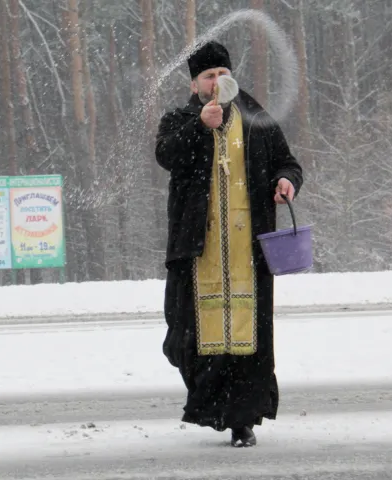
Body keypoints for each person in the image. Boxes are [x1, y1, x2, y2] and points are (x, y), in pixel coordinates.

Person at [154, 40, 304, 448]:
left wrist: (286, 182)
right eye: (208, 76)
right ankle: (209, 402)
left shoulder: (256, 118)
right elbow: (166, 155)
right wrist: (200, 125)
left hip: (248, 252)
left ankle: (241, 418)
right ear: (194, 84)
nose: (217, 82)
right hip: (197, 251)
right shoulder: (180, 118)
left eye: (222, 74)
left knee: (247, 336)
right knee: (186, 335)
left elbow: (287, 162)